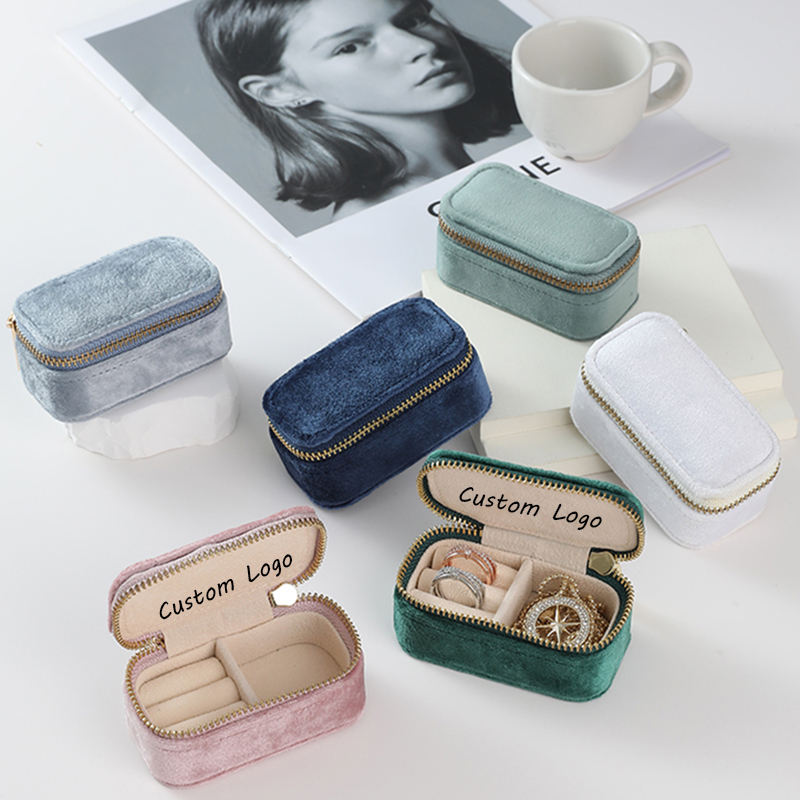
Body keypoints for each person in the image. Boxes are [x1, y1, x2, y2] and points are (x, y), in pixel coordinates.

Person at [196, 0, 520, 216]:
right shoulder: (388, 215)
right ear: (279, 91)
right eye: (349, 46)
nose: (423, 46)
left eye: (412, 19)